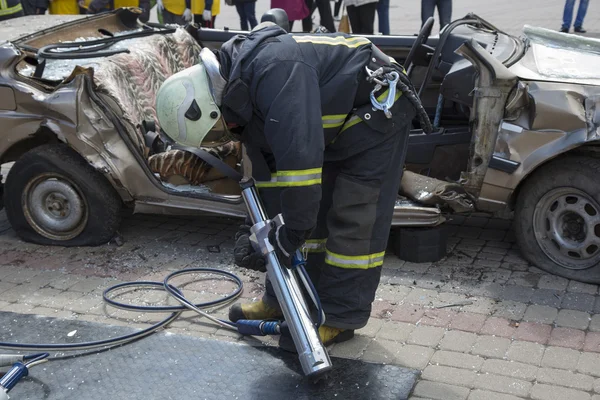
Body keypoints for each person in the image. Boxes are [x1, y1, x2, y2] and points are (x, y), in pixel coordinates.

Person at [155, 15, 431, 347]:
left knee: (354, 220)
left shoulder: (274, 72)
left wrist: (292, 232)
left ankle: (340, 317)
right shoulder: (239, 94)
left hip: (377, 117)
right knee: (298, 221)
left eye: (217, 129)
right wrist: (256, 231)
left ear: (211, 106)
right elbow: (270, 178)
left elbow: (300, 167)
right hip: (336, 127)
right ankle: (281, 301)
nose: (224, 133)